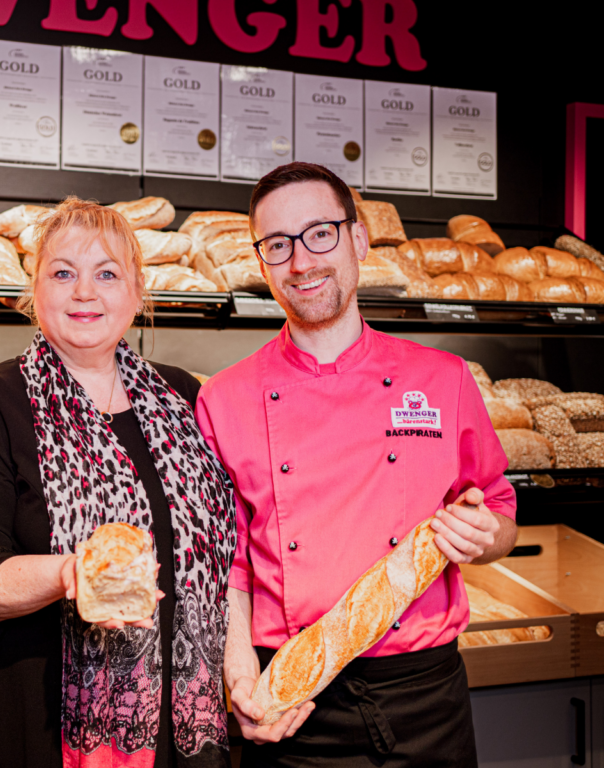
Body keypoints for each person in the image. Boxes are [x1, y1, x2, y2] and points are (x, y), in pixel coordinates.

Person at [197, 162, 517, 766]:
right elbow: (226, 566)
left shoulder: (442, 380)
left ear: (359, 239)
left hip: (423, 695)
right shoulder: (224, 398)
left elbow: (498, 508)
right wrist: (239, 680)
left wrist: (486, 534)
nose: (301, 262)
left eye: (320, 233)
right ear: (261, 263)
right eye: (277, 245)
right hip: (295, 699)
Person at [0, 198, 236, 768]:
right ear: (34, 291)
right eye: (63, 273)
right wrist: (73, 573)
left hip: (191, 727)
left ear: (137, 293)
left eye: (106, 274)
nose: (84, 292)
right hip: (47, 725)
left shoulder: (185, 397)